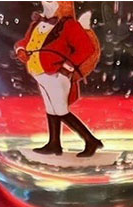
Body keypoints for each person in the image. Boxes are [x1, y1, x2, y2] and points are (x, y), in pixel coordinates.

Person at [14, 2, 104, 157]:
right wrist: (21, 49)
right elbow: (26, 41)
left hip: (56, 75)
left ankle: (91, 141)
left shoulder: (68, 25)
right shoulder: (37, 23)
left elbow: (86, 48)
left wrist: (67, 67)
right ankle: (54, 143)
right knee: (51, 109)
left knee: (61, 110)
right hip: (38, 73)